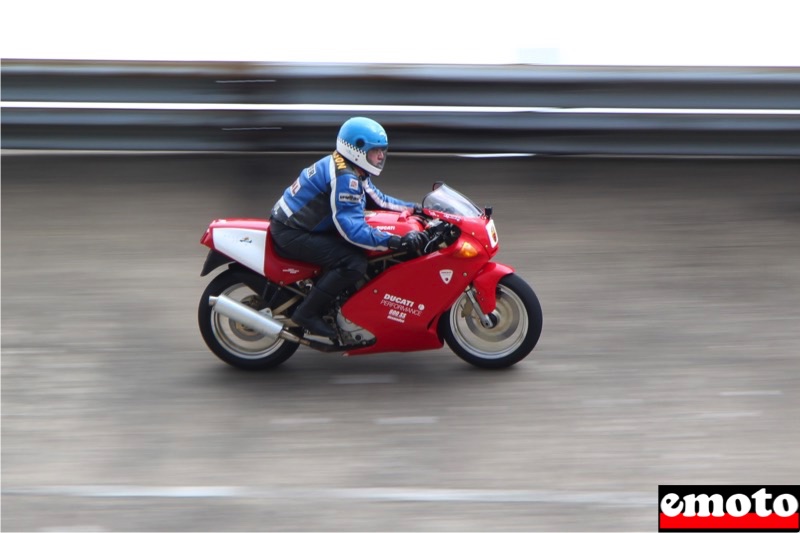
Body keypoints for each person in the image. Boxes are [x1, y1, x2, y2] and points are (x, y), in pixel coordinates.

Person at [269, 117, 427, 339]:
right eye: (376, 151)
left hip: (299, 225)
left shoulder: (349, 166)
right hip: (292, 233)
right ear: (358, 149)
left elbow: (378, 200)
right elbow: (351, 230)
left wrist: (418, 209)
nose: (381, 156)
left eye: (383, 151)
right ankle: (307, 313)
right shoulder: (345, 177)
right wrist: (393, 241)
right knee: (353, 262)